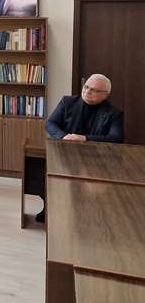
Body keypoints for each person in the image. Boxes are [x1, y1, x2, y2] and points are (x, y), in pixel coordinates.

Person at [36, 74, 124, 222]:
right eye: (86, 87)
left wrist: (85, 139)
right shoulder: (67, 102)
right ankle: (49, 208)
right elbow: (50, 124)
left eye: (94, 90)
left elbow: (116, 138)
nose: (87, 91)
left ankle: (86, 215)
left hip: (95, 161)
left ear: (105, 95)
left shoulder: (114, 113)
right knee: (45, 177)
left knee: (87, 191)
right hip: (65, 154)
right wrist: (63, 136)